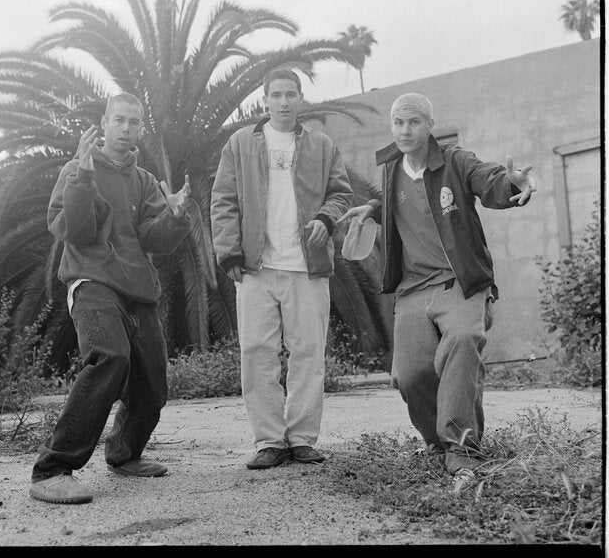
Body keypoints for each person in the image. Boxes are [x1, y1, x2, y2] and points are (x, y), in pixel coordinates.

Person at [338, 92, 536, 493]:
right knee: (409, 375)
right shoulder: (392, 168)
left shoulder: (455, 161)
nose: (405, 130)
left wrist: (512, 183)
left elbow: (489, 180)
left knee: (462, 342)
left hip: (459, 282)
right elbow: (402, 201)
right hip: (413, 288)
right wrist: (372, 211)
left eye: (413, 122)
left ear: (429, 125)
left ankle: (462, 447)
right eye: (398, 122)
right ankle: (438, 443)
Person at [30, 92, 191, 504]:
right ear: (103, 123)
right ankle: (52, 469)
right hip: (91, 281)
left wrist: (173, 216)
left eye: (133, 122)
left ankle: (124, 453)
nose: (125, 128)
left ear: (140, 129)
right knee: (110, 356)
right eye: (118, 120)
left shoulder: (144, 180)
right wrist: (82, 178)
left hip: (137, 287)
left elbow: (154, 240)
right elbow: (75, 231)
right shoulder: (74, 169)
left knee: (152, 382)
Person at [210, 68, 352, 470]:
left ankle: (303, 438)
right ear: (265, 101)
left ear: (300, 99)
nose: (284, 102)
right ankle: (270, 440)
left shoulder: (322, 145)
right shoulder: (239, 144)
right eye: (277, 95)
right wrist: (229, 253)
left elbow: (341, 192)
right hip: (257, 268)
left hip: (308, 268)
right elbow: (222, 200)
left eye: (291, 94)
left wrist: (326, 218)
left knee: (308, 353)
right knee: (257, 354)